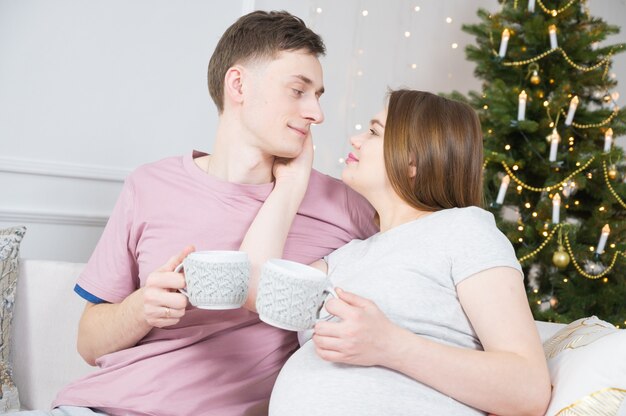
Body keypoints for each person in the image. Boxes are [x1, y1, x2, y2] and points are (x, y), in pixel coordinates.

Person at [19, 10, 377, 416]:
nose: (317, 113)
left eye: (319, 95)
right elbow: (88, 343)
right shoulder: (149, 186)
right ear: (238, 85)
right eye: (299, 91)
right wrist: (141, 308)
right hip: (98, 406)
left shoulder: (346, 207)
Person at [240, 90, 552, 416]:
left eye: (374, 131)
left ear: (412, 160)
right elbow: (255, 287)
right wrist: (290, 184)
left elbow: (527, 390)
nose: (355, 139)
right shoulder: (346, 258)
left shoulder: (465, 230)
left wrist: (391, 346)